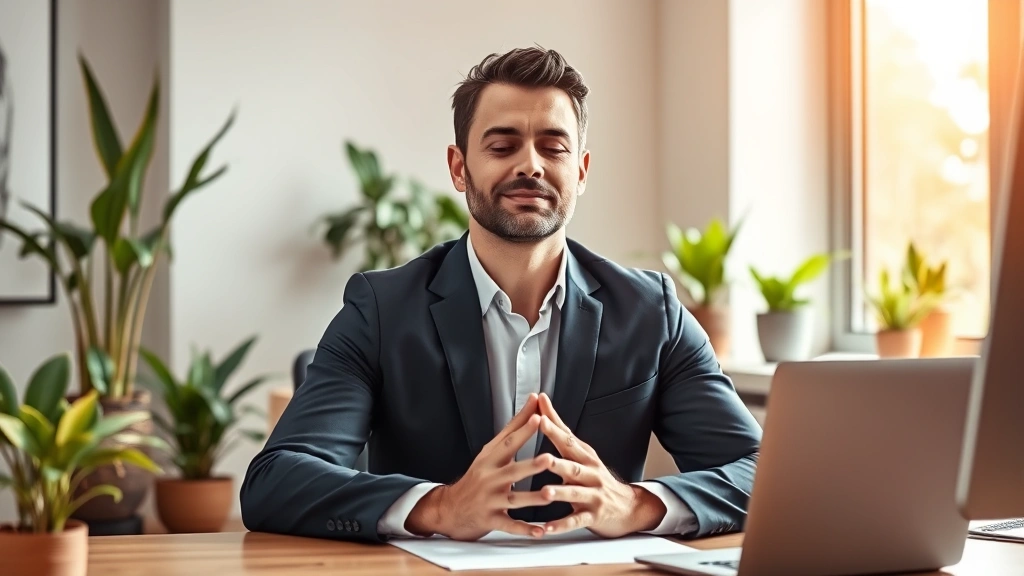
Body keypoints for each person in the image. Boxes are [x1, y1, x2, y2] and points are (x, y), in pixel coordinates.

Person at [240, 47, 761, 543]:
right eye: (502, 144)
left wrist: (633, 505)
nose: (530, 165)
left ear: (580, 171)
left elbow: (761, 471)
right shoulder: (382, 309)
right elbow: (274, 482)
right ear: (459, 167)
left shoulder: (652, 312)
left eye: (553, 147)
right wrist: (440, 507)